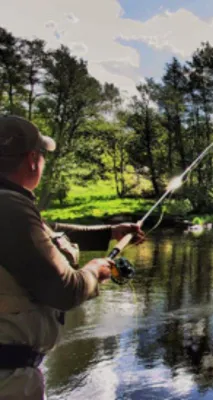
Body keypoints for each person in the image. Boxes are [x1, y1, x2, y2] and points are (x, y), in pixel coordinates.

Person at [0, 115, 144, 399]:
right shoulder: (10, 208)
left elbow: (45, 233)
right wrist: (95, 271)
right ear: (32, 159)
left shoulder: (9, 208)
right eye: (41, 155)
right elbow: (65, 290)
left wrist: (109, 232)